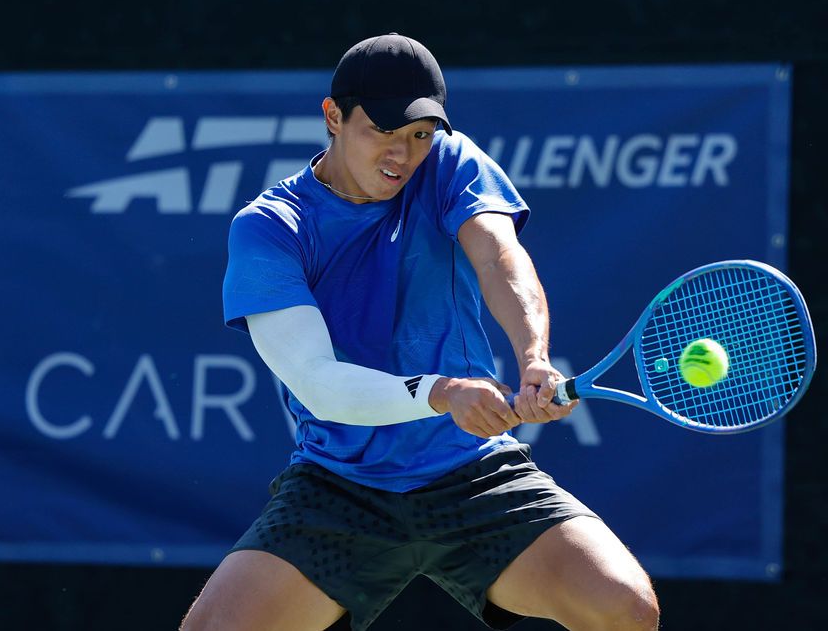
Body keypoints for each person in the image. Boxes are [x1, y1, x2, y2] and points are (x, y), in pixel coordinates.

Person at [181, 33, 659, 631]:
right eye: (381, 129)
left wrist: (533, 356)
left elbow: (498, 257)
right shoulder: (272, 227)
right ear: (333, 116)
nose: (402, 153)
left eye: (419, 134)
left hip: (469, 471)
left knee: (624, 609)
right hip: (339, 485)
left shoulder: (450, 164)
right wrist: (443, 392)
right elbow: (318, 383)